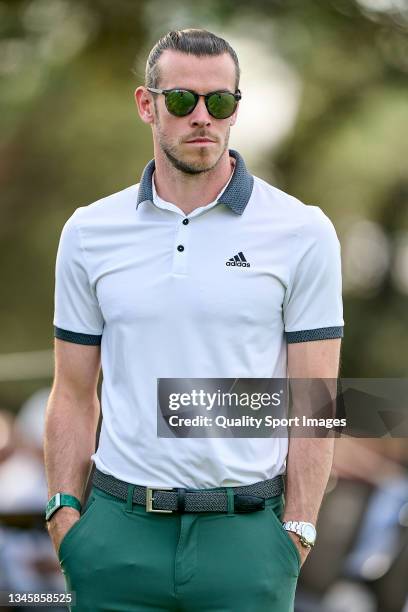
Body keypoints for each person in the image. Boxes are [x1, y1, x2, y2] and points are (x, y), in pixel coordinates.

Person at [44, 28, 344, 612]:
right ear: (147, 105)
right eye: (182, 100)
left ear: (236, 109)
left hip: (248, 539)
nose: (202, 116)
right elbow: (74, 391)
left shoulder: (303, 231)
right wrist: (64, 515)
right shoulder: (87, 233)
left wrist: (298, 530)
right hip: (115, 536)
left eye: (221, 102)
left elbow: (315, 400)